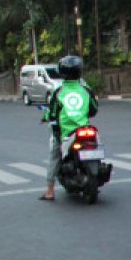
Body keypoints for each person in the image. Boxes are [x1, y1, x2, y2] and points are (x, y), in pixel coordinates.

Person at [40, 55, 98, 201]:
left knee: (54, 155)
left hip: (67, 133)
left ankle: (50, 191)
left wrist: (45, 117)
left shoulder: (58, 92)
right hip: (85, 129)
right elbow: (94, 110)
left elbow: (52, 113)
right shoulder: (86, 90)